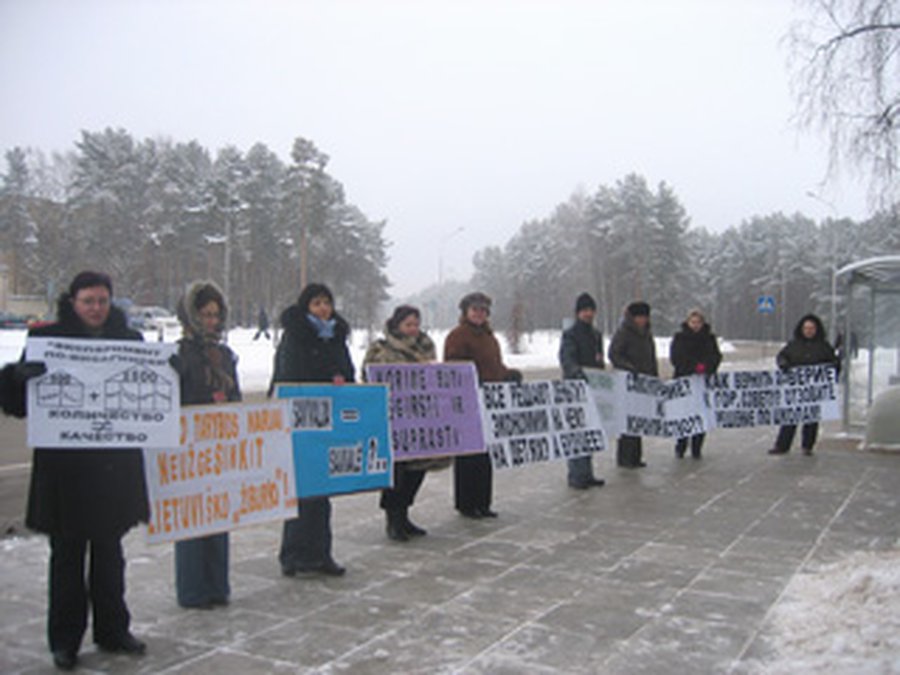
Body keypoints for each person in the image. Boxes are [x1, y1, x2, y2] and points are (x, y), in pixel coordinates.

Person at [0, 271, 149, 671]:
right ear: (73, 302)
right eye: (88, 301)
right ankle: (64, 640)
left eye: (102, 300)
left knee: (110, 555)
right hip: (66, 471)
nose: (96, 308)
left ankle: (114, 630)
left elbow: (154, 395)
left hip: (112, 468)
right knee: (66, 558)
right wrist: (16, 379)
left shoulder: (130, 341)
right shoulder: (47, 340)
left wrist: (170, 372)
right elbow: (16, 402)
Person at [272, 283, 352, 576]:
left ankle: (321, 553)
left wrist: (343, 381)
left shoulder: (336, 337)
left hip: (328, 422)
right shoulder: (295, 336)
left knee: (322, 491)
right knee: (302, 489)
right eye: (317, 303)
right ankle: (293, 555)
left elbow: (348, 371)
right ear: (306, 306)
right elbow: (287, 376)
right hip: (299, 421)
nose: (323, 308)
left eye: (327, 303)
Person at [173, 281, 241, 608]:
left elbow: (236, 397)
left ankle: (217, 585)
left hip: (220, 446)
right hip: (189, 448)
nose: (211, 321)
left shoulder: (225, 355)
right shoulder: (179, 354)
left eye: (216, 314)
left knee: (218, 516)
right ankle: (192, 589)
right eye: (204, 314)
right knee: (191, 520)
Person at [363, 305, 448, 541]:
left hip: (421, 417)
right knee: (397, 472)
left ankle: (406, 514)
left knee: (418, 469)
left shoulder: (426, 347)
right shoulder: (381, 348)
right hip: (394, 418)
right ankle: (393, 519)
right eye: (408, 324)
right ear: (397, 325)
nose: (413, 329)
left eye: (416, 324)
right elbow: (369, 375)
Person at [444, 292, 521, 519]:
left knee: (486, 455)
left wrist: (508, 374)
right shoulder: (457, 336)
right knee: (468, 454)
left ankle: (483, 501)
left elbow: (494, 365)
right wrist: (471, 378)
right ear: (466, 312)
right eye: (475, 310)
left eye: (483, 310)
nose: (479, 314)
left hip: (489, 402)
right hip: (468, 401)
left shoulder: (489, 337)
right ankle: (466, 503)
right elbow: (453, 366)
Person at [768, 313, 838, 456]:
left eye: (811, 328)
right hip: (795, 389)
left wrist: (830, 371)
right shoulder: (793, 345)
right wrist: (784, 364)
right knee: (790, 418)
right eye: (806, 328)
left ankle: (807, 445)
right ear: (801, 329)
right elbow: (782, 357)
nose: (809, 331)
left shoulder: (824, 346)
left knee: (811, 419)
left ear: (817, 329)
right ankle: (782, 445)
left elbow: (834, 363)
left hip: (814, 389)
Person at [558, 292, 606, 488]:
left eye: (590, 310)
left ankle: (587, 473)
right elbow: (566, 358)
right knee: (577, 432)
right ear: (578, 313)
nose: (588, 314)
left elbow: (599, 359)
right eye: (584, 310)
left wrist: (602, 377)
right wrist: (576, 372)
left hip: (593, 388)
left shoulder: (596, 334)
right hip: (575, 388)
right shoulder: (570, 334)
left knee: (590, 431)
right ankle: (576, 475)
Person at [608, 301, 657, 468]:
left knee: (638, 421)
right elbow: (614, 354)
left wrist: (654, 378)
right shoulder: (624, 332)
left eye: (644, 317)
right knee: (627, 422)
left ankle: (636, 456)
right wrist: (629, 368)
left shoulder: (647, 333)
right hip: (627, 383)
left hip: (643, 383)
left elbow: (651, 357)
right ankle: (625, 458)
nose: (642, 320)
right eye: (639, 317)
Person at [669, 308, 722, 459]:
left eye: (698, 322)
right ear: (688, 322)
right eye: (693, 322)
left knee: (700, 414)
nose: (695, 325)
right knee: (683, 414)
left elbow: (715, 356)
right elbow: (676, 358)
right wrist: (692, 367)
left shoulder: (709, 338)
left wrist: (706, 366)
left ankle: (697, 447)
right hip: (684, 380)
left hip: (703, 381)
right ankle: (681, 445)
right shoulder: (680, 338)